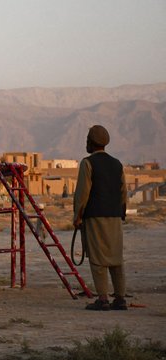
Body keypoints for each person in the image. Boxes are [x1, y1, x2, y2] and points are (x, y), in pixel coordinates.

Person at [73, 125, 128, 311]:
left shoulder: (87, 163)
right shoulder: (117, 164)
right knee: (115, 257)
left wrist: (77, 215)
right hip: (115, 216)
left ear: (90, 142)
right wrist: (121, 212)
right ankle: (120, 298)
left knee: (97, 257)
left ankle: (103, 298)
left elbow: (83, 192)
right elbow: (123, 192)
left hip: (95, 216)